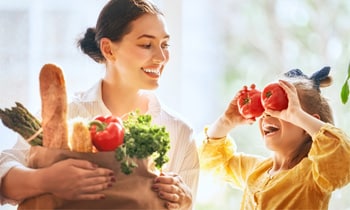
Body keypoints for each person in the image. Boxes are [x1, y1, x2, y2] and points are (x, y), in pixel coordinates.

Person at [0, 0, 199, 209]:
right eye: (146, 45)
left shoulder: (179, 132)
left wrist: (185, 202)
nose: (161, 57)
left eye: (165, 45)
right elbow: (3, 174)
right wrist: (47, 179)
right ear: (108, 49)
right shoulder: (67, 114)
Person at [199, 67, 350, 209]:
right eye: (265, 107)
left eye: (283, 109)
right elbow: (212, 161)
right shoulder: (256, 170)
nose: (267, 114)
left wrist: (297, 115)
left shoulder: (313, 175)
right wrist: (225, 122)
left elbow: (344, 157)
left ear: (306, 125)